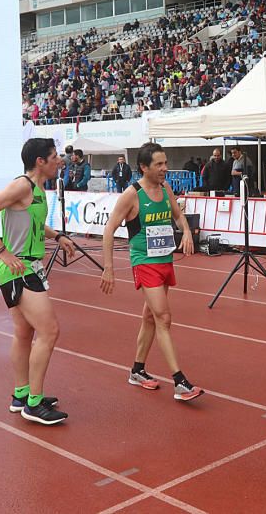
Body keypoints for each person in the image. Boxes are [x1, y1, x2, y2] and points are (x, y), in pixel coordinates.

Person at [0, 138, 76, 425]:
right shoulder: (23, 185)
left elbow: (32, 222)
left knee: (24, 334)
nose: (59, 161)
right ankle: (34, 404)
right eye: (54, 157)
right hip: (21, 268)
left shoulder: (35, 189)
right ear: (40, 161)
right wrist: (2, 251)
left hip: (26, 266)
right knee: (50, 331)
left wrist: (58, 236)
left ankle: (21, 394)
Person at [100, 142, 203, 401]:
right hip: (143, 261)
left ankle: (137, 370)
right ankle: (180, 382)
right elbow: (109, 230)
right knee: (163, 317)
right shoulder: (132, 194)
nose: (165, 168)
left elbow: (179, 216)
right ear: (144, 167)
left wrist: (187, 232)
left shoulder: (166, 187)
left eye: (165, 163)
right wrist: (109, 268)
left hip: (164, 259)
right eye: (159, 164)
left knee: (149, 318)